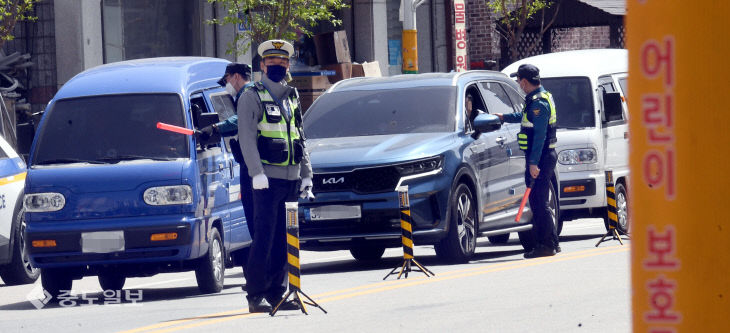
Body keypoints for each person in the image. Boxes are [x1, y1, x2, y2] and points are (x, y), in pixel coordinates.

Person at [236, 39, 313, 313]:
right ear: (262, 65)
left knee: (285, 238)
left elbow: (300, 137)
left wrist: (307, 174)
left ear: (288, 65)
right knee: (265, 237)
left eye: (282, 62)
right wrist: (256, 173)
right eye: (272, 63)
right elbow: (245, 138)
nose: (278, 66)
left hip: (291, 179)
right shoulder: (251, 96)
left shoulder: (292, 95)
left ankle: (277, 292)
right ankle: (255, 295)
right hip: (266, 180)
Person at [495, 64, 559, 259]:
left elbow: (539, 136)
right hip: (542, 157)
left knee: (538, 203)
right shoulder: (538, 98)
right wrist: (504, 117)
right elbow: (525, 118)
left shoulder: (539, 103)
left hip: (540, 157)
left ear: (523, 81)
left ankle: (545, 245)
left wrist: (533, 164)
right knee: (540, 201)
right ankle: (553, 242)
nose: (518, 84)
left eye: (518, 80)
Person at [197, 63, 257, 268]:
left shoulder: (248, 95)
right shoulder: (249, 94)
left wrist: (214, 128)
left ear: (237, 77)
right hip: (252, 166)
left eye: (227, 80)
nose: (226, 85)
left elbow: (238, 120)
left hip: (253, 168)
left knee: (255, 222)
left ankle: (261, 276)